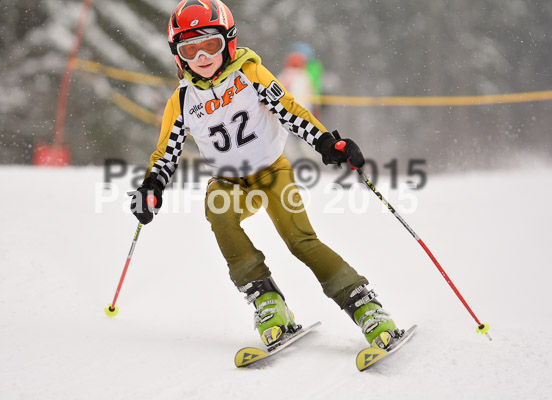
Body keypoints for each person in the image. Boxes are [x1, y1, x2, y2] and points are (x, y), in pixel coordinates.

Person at [131, 0, 401, 350]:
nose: (201, 56)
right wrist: (152, 186)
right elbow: (166, 152)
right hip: (228, 182)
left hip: (272, 173)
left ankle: (365, 305)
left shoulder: (250, 75)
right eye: (189, 49)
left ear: (227, 41)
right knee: (218, 210)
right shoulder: (181, 101)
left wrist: (325, 143)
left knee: (300, 242)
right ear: (178, 55)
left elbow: (290, 110)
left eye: (209, 44)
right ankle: (266, 299)